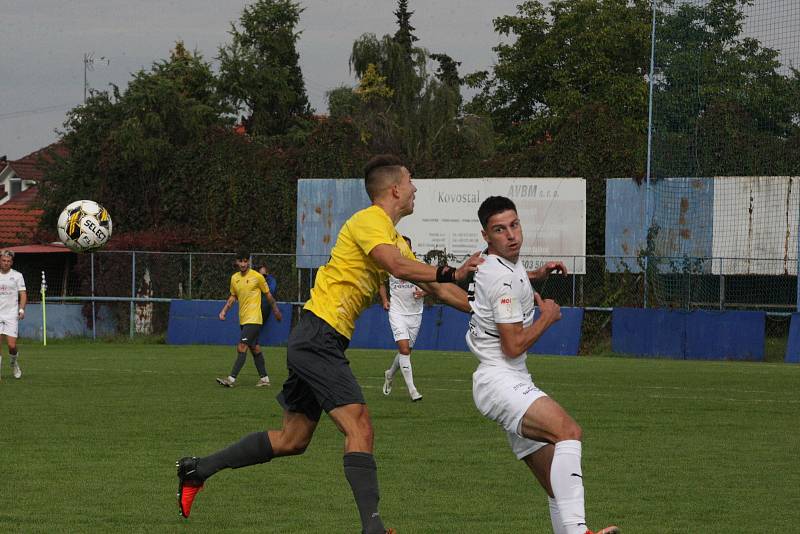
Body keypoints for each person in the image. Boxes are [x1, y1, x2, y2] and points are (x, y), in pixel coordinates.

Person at [175, 154, 481, 534]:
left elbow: (435, 285)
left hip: (318, 339)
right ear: (395, 189)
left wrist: (482, 310)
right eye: (412, 181)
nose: (416, 188)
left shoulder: (395, 238)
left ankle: (196, 469)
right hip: (318, 336)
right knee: (361, 427)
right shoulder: (370, 220)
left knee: (293, 439)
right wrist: (452, 269)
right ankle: (373, 528)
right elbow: (400, 267)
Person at [466, 196, 618, 534]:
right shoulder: (500, 281)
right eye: (499, 230)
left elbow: (512, 278)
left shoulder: (500, 263)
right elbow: (513, 344)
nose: (511, 235)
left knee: (556, 485)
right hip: (500, 379)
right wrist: (547, 317)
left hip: (506, 378)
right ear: (486, 235)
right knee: (569, 431)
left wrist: (536, 273)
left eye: (514, 225)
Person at [216, 252, 283, 388]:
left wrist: (276, 310)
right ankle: (264, 379)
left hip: (254, 319)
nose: (243, 264)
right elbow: (233, 297)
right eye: (240, 261)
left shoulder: (257, 277)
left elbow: (268, 295)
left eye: (245, 261)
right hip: (244, 319)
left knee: (242, 346)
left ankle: (231, 379)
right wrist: (224, 310)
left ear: (249, 262)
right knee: (255, 348)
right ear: (237, 262)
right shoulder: (234, 278)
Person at [379, 236, 426, 401]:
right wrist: (385, 300)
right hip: (397, 312)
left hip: (415, 313)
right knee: (404, 350)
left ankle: (390, 374)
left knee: (405, 352)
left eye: (407, 247)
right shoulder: (390, 266)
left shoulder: (419, 265)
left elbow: (431, 284)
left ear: (411, 249)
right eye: (401, 247)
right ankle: (413, 391)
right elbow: (380, 282)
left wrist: (423, 292)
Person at [0, 249, 26, 381]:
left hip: (11, 315)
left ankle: (14, 363)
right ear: (0, 261)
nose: (5, 263)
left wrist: (21, 310)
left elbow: (23, 294)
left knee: (11, 345)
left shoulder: (17, 276)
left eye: (8, 261)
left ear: (11, 263)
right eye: (3, 260)